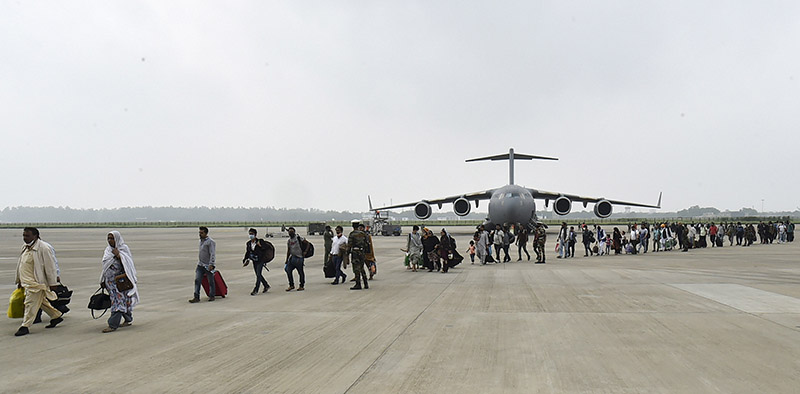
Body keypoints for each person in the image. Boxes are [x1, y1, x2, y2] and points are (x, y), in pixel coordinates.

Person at [14, 227, 64, 337]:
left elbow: (50, 267)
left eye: (27, 236)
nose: (25, 238)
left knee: (30, 304)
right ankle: (56, 316)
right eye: (24, 235)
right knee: (41, 302)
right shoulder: (25, 247)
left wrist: (53, 283)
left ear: (35, 236)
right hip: (26, 282)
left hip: (37, 283)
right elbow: (21, 265)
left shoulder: (44, 248)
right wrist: (19, 280)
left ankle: (25, 326)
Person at [99, 231, 139, 333]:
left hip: (120, 281)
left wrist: (119, 255)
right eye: (108, 238)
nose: (110, 240)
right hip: (110, 282)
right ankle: (128, 318)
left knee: (118, 301)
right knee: (121, 300)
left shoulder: (123, 249)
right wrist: (103, 280)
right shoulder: (108, 250)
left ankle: (113, 324)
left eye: (112, 238)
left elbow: (128, 264)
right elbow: (105, 267)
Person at [190, 226, 216, 303]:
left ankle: (212, 295)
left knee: (210, 281)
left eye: (202, 233)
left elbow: (212, 253)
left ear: (206, 233)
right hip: (200, 265)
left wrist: (211, 264)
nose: (200, 234)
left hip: (208, 265)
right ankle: (196, 296)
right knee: (197, 280)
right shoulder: (200, 241)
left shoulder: (210, 242)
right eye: (199, 233)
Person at [242, 228, 271, 295]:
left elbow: (266, 248)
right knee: (258, 274)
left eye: (252, 234)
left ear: (255, 234)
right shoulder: (248, 243)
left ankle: (256, 290)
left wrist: (260, 245)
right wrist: (245, 259)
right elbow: (248, 252)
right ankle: (266, 285)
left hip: (261, 260)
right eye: (250, 234)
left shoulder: (260, 241)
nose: (250, 235)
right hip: (254, 261)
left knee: (258, 275)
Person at [284, 227, 309, 291]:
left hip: (299, 258)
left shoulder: (298, 238)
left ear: (294, 232)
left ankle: (301, 285)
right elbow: (288, 250)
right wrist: (286, 259)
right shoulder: (289, 241)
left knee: (300, 272)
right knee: (288, 270)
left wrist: (305, 251)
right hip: (292, 257)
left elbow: (307, 243)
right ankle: (291, 285)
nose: (290, 233)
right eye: (289, 232)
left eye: (291, 232)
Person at [348, 221, 370, 290]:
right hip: (362, 252)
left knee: (356, 268)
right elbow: (367, 243)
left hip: (355, 252)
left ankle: (358, 284)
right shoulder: (363, 234)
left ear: (353, 226)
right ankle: (365, 283)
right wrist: (365, 252)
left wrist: (347, 253)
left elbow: (349, 245)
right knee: (362, 268)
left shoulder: (352, 234)